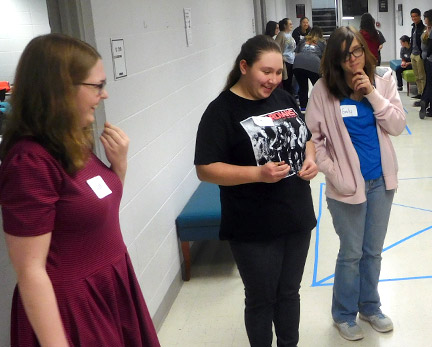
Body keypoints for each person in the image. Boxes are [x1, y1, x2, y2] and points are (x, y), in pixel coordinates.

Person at [0, 33, 159, 346]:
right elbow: (30, 271)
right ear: (59, 89)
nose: (105, 94)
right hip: (72, 307)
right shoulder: (29, 162)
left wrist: (119, 169)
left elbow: (94, 216)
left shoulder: (71, 142)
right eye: (97, 85)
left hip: (110, 285)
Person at [194, 35, 318, 347]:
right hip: (253, 224)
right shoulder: (221, 111)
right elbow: (205, 168)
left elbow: (306, 137)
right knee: (262, 298)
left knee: (289, 292)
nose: (274, 80)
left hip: (295, 214)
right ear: (244, 67)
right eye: (266, 72)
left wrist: (311, 160)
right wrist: (257, 174)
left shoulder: (284, 98)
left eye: (279, 73)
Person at [305, 26, 406, 341]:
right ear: (335, 59)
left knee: (372, 251)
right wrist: (333, 173)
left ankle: (370, 307)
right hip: (346, 186)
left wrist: (373, 94)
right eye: (346, 55)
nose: (353, 60)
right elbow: (315, 138)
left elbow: (397, 125)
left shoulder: (383, 81)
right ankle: (344, 315)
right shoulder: (324, 90)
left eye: (358, 51)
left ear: (366, 51)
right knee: (351, 253)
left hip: (380, 182)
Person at [294, 25, 326, 110]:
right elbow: (325, 57)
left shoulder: (304, 39)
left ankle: (303, 108)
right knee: (319, 87)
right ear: (320, 34)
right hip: (314, 64)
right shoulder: (322, 42)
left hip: (298, 64)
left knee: (302, 88)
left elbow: (296, 52)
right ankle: (320, 107)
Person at [275, 18, 296, 95]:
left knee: (290, 81)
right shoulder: (281, 35)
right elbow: (276, 47)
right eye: (290, 24)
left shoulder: (289, 35)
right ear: (285, 25)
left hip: (291, 60)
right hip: (285, 61)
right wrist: (282, 58)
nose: (291, 25)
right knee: (286, 82)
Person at [409, 8, 426, 98]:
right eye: (412, 16)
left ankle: (423, 93)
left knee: (421, 76)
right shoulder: (413, 28)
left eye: (416, 16)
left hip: (419, 54)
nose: (414, 18)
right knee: (416, 75)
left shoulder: (423, 28)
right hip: (413, 54)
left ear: (419, 16)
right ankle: (419, 92)